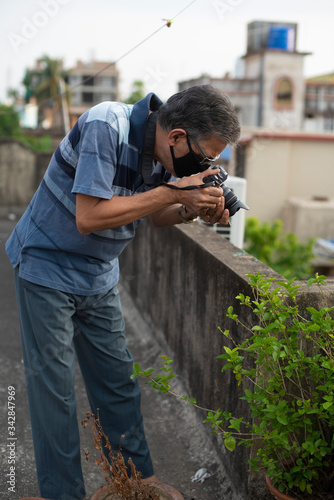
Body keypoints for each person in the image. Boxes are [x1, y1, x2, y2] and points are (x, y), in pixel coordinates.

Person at [6, 84, 240, 499]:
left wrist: (190, 208)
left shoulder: (165, 153)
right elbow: (89, 216)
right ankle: (62, 493)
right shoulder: (105, 124)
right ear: (177, 137)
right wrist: (174, 191)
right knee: (55, 389)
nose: (203, 166)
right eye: (204, 158)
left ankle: (136, 483)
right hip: (47, 263)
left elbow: (157, 215)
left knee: (117, 381)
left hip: (98, 273)